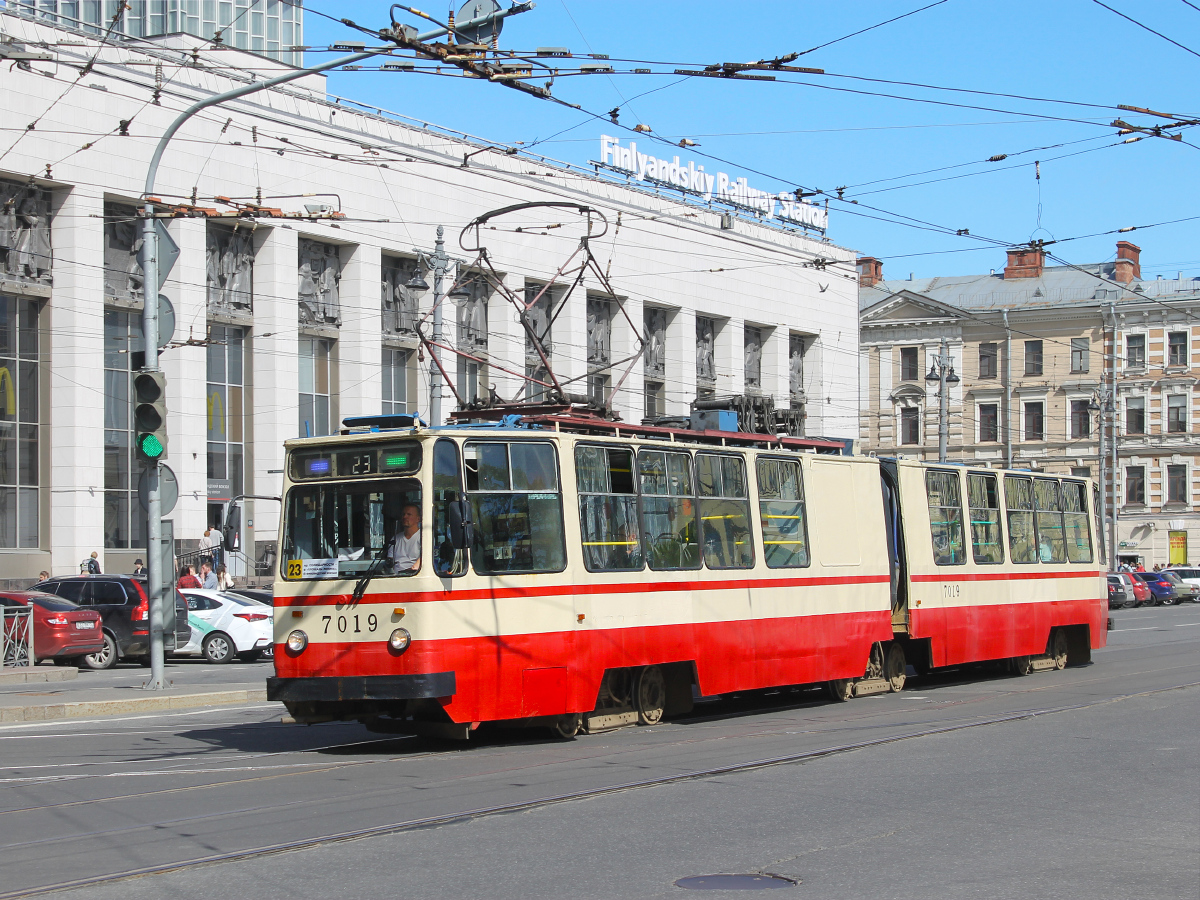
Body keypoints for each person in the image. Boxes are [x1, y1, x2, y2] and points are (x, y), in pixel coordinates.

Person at [387, 503, 422, 574]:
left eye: (409, 514)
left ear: (418, 519)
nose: (405, 517)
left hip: (414, 576)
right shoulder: (395, 539)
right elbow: (390, 562)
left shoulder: (423, 537)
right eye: (403, 514)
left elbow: (425, 558)